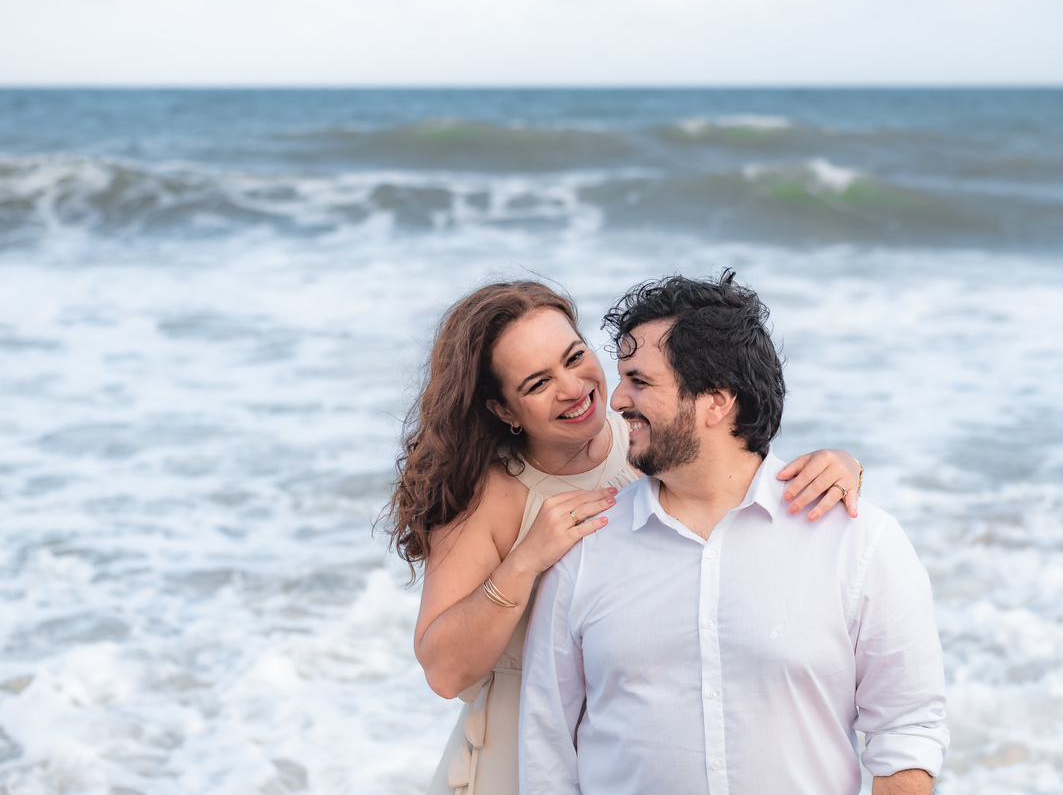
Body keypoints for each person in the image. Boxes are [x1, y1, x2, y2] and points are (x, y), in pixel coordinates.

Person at [387, 280, 866, 795]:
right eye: (537, 384)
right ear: (503, 410)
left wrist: (844, 465)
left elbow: (737, 471)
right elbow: (443, 671)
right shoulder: (485, 495)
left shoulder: (647, 436)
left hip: (637, 736)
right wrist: (524, 562)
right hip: (520, 745)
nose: (573, 388)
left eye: (575, 357)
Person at [520, 272, 949, 795]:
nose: (616, 400)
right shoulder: (585, 546)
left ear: (716, 401)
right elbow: (546, 747)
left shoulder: (859, 542)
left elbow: (906, 734)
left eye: (640, 381)